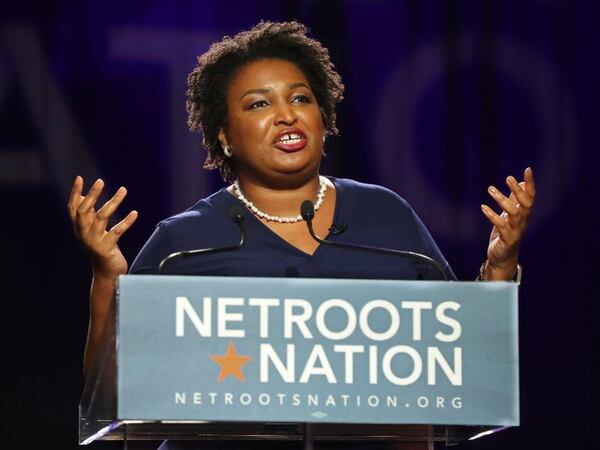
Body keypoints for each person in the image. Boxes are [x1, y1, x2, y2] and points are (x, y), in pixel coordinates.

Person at [68, 21, 535, 449]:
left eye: (300, 98)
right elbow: (111, 406)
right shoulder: (184, 244)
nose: (286, 115)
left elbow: (458, 369)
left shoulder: (386, 214)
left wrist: (499, 266)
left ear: (322, 115)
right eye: (259, 104)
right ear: (225, 135)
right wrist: (107, 276)